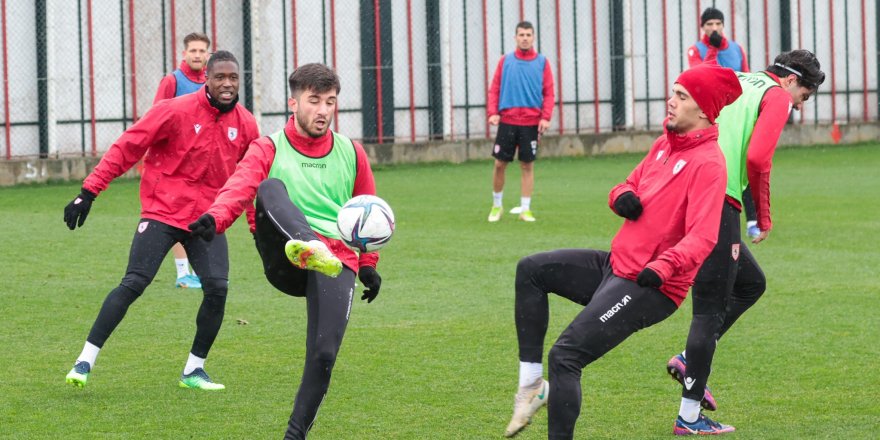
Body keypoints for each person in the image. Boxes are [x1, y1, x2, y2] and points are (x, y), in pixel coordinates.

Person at [503, 64, 742, 439]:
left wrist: (664, 267)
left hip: (651, 286)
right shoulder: (664, 144)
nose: (671, 101)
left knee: (566, 356)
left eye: (682, 96)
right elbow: (628, 183)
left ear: (704, 111)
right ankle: (531, 384)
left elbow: (702, 237)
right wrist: (622, 197)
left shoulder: (710, 164)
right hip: (616, 266)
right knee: (531, 270)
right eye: (673, 92)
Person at [188, 63, 383, 440]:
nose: (323, 110)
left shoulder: (351, 152)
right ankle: (307, 242)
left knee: (324, 354)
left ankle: (294, 436)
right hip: (283, 252)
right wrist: (216, 217)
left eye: (330, 102)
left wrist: (369, 264)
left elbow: (368, 210)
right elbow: (241, 185)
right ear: (293, 103)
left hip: (334, 260)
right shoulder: (268, 146)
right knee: (270, 186)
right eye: (314, 101)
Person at [63, 51, 260, 391]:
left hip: (207, 220)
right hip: (162, 211)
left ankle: (194, 371)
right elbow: (127, 147)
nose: (227, 83)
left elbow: (251, 178)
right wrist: (88, 192)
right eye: (220, 77)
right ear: (207, 80)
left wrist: (256, 228)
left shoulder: (246, 124)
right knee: (134, 283)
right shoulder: (175, 111)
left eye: (233, 77)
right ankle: (85, 360)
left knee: (217, 288)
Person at [667, 50, 825, 434]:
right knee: (708, 309)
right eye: (803, 97)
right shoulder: (775, 96)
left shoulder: (734, 79)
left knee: (751, 283)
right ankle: (689, 417)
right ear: (790, 82)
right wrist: (763, 214)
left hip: (684, 187)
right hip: (715, 198)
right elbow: (757, 158)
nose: (798, 107)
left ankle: (690, 358)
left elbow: (678, 122)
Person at [687, 7, 760, 239]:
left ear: (723, 25)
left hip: (737, 115)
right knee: (713, 165)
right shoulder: (695, 49)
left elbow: (747, 77)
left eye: (717, 23)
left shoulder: (737, 48)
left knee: (743, 163)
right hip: (712, 116)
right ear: (703, 27)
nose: (714, 28)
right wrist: (712, 48)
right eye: (709, 24)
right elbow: (701, 76)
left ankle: (752, 220)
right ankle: (706, 217)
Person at [153, 32, 212, 290]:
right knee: (176, 217)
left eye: (202, 51)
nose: (197, 55)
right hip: (175, 165)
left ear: (208, 54)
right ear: (184, 53)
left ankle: (199, 271)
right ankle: (182, 274)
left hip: (204, 166)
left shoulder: (212, 82)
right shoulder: (172, 81)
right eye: (193, 51)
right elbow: (156, 117)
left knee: (202, 216)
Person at [486, 20, 554, 222]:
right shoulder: (505, 61)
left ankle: (525, 209)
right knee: (499, 164)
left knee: (527, 166)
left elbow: (549, 92)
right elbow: (495, 88)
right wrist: (493, 112)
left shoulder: (542, 62)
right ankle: (497, 205)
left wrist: (546, 117)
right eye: (521, 35)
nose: (525, 38)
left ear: (533, 37)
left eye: (528, 35)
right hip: (507, 120)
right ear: (515, 37)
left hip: (531, 122)